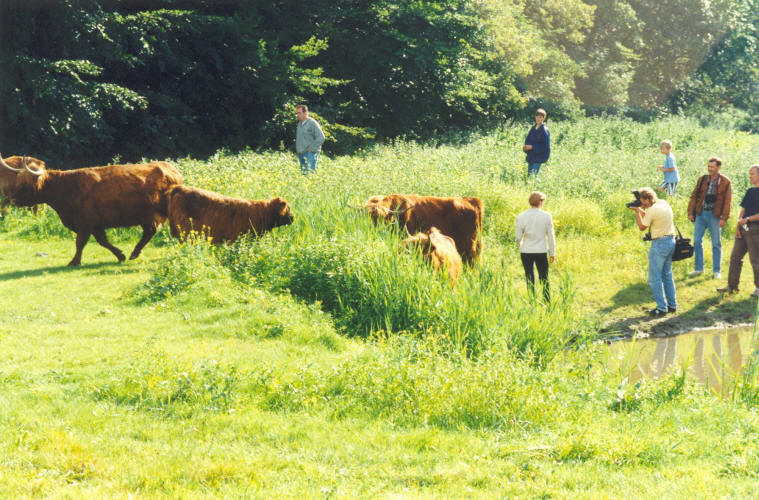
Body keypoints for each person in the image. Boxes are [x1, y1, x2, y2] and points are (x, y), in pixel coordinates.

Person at [629, 187, 677, 316]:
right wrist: (640, 209)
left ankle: (661, 308)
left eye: (642, 200)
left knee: (654, 277)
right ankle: (672, 305)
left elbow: (642, 226)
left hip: (659, 244)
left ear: (647, 199)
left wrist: (636, 212)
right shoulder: (663, 203)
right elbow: (652, 218)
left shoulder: (651, 210)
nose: (641, 203)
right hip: (671, 241)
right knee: (667, 275)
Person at [687, 157, 732, 279]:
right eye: (708, 166)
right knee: (696, 241)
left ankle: (717, 271)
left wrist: (724, 218)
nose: (709, 169)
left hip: (715, 215)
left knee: (716, 244)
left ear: (718, 167)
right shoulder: (702, 179)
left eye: (712, 167)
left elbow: (728, 201)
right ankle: (698, 268)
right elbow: (694, 195)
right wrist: (690, 212)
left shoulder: (725, 182)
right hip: (701, 214)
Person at [717, 165, 759, 296]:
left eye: (752, 174)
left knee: (755, 260)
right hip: (743, 229)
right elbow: (743, 210)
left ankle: (758, 288)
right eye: (749, 173)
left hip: (755, 229)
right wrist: (738, 227)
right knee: (735, 257)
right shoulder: (750, 191)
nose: (750, 176)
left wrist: (747, 220)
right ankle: (732, 286)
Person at [515, 191, 555, 301]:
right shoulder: (547, 216)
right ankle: (546, 300)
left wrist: (521, 245)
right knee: (544, 277)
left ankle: (531, 300)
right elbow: (551, 236)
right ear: (540, 202)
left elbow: (518, 237)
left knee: (529, 276)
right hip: (541, 251)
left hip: (526, 251)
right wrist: (552, 253)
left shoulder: (521, 216)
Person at [295, 104, 325, 174]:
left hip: (310, 153)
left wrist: (311, 148)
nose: (297, 115)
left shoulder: (312, 123)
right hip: (301, 153)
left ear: (305, 113)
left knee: (309, 175)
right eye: (297, 113)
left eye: (299, 113)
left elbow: (321, 137)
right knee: (303, 176)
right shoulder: (299, 124)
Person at [523, 108, 551, 178]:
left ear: (544, 118)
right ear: (535, 117)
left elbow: (545, 146)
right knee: (529, 175)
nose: (539, 119)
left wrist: (532, 147)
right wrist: (526, 147)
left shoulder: (544, 130)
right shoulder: (533, 128)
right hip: (532, 155)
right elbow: (528, 139)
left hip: (539, 156)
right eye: (537, 117)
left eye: (541, 117)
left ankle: (539, 187)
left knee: (534, 176)